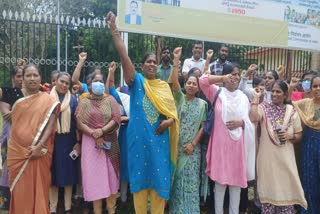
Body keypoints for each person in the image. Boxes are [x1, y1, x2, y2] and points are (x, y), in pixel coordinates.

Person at [107, 11, 179, 214]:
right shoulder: (136, 82)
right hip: (139, 140)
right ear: (142, 65)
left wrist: (169, 122)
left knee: (158, 182)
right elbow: (124, 56)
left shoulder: (163, 87)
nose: (152, 64)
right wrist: (115, 32)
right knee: (140, 182)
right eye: (148, 61)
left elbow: (173, 114)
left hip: (159, 141)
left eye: (155, 62)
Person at [199, 63, 255, 214]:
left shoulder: (243, 97)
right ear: (225, 75)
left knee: (236, 187)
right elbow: (202, 81)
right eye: (232, 74)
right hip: (220, 148)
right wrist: (222, 78)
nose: (235, 77)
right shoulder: (216, 92)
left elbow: (250, 122)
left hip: (237, 149)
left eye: (237, 74)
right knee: (219, 186)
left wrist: (241, 123)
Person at [7, 64, 60, 214]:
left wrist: (40, 145)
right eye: (28, 75)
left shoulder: (48, 99)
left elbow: (51, 124)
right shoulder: (13, 94)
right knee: (20, 190)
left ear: (40, 78)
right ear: (22, 78)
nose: (32, 78)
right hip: (17, 153)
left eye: (35, 75)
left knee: (39, 189)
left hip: (39, 153)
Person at [250, 80, 307, 213]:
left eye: (278, 91)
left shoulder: (291, 111)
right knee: (268, 198)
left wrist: (290, 136)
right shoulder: (264, 107)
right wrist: (256, 99)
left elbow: (299, 135)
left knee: (285, 197)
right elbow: (253, 117)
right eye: (273, 91)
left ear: (285, 94)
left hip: (285, 161)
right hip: (267, 161)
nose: (274, 94)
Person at [168, 47, 207, 213]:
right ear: (185, 85)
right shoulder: (179, 98)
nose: (191, 85)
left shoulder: (202, 104)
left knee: (191, 181)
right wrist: (176, 61)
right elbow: (173, 83)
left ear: (198, 87)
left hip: (192, 150)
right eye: (189, 82)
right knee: (177, 181)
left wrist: (193, 144)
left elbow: (203, 126)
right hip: (177, 147)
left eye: (194, 83)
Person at [75, 72, 121, 214]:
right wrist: (93, 133)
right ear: (90, 84)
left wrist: (102, 131)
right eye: (96, 80)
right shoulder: (84, 102)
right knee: (95, 178)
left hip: (110, 142)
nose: (99, 83)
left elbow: (116, 118)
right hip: (90, 145)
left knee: (111, 177)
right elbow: (78, 121)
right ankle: (97, 211)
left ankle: (111, 210)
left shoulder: (111, 99)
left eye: (101, 81)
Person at [49, 72, 80, 214]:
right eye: (62, 81)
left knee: (68, 176)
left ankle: (68, 208)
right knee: (52, 176)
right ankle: (53, 208)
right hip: (51, 142)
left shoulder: (73, 100)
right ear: (56, 82)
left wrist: (78, 142)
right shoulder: (47, 99)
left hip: (68, 142)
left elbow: (78, 124)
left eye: (67, 83)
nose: (64, 85)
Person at [294, 75, 320, 213]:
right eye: (315, 86)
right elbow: (288, 102)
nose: (318, 89)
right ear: (310, 89)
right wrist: (292, 86)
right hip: (309, 144)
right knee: (310, 180)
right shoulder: (306, 103)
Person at [0, 63, 24, 211]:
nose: (21, 79)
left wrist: (14, 111)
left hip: (25, 137)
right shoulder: (7, 91)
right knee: (8, 168)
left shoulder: (29, 93)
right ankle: (6, 202)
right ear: (13, 77)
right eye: (18, 76)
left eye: (23, 75)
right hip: (9, 137)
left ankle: (21, 200)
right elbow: (6, 115)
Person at [106, 62, 131, 203]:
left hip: (138, 136)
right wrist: (111, 72)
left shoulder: (145, 96)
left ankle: (132, 199)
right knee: (123, 164)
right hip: (124, 136)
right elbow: (110, 89)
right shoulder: (124, 97)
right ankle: (122, 199)